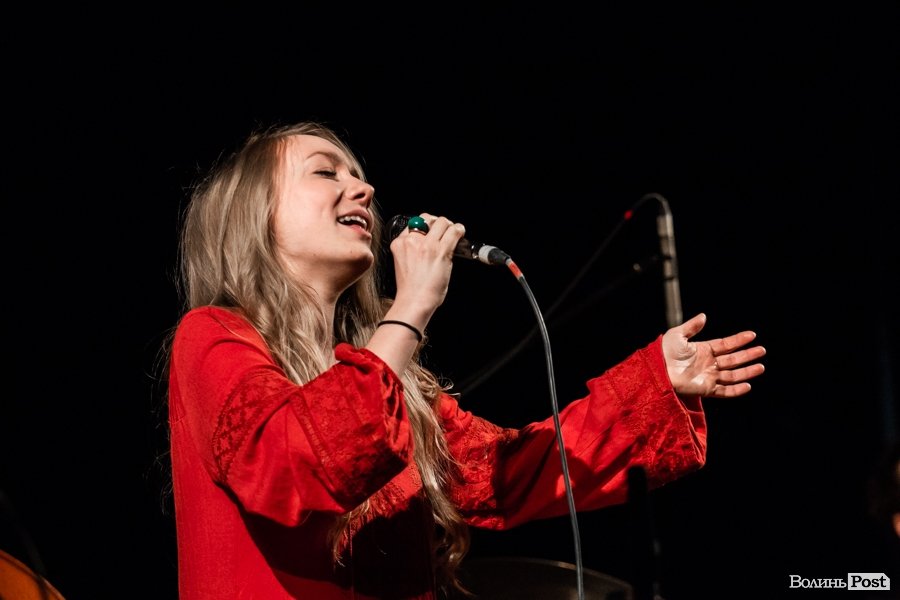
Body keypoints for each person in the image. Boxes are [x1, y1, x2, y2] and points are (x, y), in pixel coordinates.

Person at [162, 120, 766, 600]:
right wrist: (411, 308)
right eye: (326, 172)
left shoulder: (398, 386)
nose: (364, 191)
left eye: (360, 176)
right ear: (255, 213)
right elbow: (292, 460)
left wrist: (656, 381)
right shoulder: (212, 337)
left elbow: (511, 472)